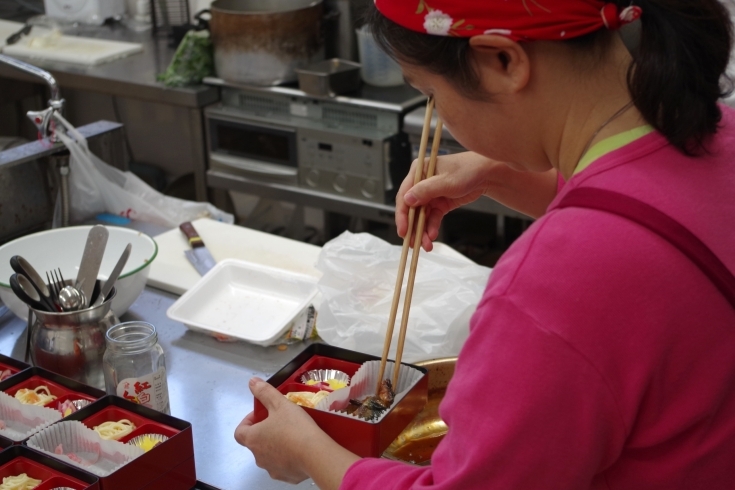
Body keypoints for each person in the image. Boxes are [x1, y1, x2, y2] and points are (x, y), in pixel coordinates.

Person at [234, 1, 735, 488]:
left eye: (430, 93)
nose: (440, 119)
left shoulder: (553, 281)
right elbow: (652, 212)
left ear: (503, 60)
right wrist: (500, 170)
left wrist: (308, 449)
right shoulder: (714, 129)